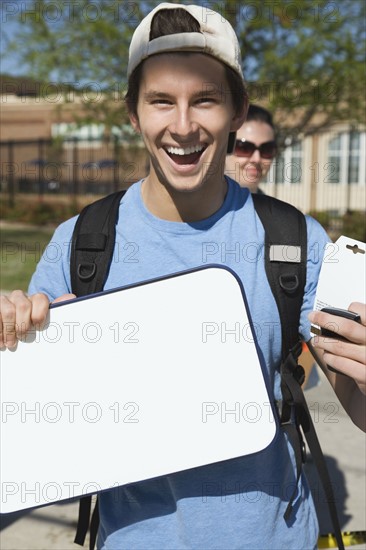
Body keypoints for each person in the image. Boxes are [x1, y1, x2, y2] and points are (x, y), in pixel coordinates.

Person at [0, 4, 365, 549]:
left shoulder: (293, 241)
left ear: (238, 110)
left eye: (206, 100)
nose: (183, 125)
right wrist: (12, 334)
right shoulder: (82, 242)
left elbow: (355, 405)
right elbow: (30, 429)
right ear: (133, 113)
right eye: (161, 101)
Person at [225, 104, 277, 193]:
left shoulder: (274, 207)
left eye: (267, 149)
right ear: (223, 147)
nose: (257, 159)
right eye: (244, 148)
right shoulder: (195, 205)